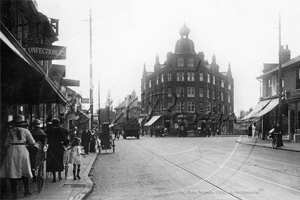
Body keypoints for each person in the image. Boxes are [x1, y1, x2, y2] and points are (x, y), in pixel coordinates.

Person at [0, 115, 35, 199]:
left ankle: (14, 194)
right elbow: (32, 142)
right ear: (22, 123)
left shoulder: (9, 132)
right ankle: (26, 191)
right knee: (24, 170)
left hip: (12, 151)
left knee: (13, 171)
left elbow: (5, 144)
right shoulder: (26, 131)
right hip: (23, 150)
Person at [46, 118, 69, 182]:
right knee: (59, 161)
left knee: (52, 161)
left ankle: (54, 177)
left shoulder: (49, 130)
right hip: (59, 147)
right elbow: (65, 136)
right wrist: (66, 143)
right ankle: (59, 175)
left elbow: (47, 137)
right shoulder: (61, 129)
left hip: (51, 147)